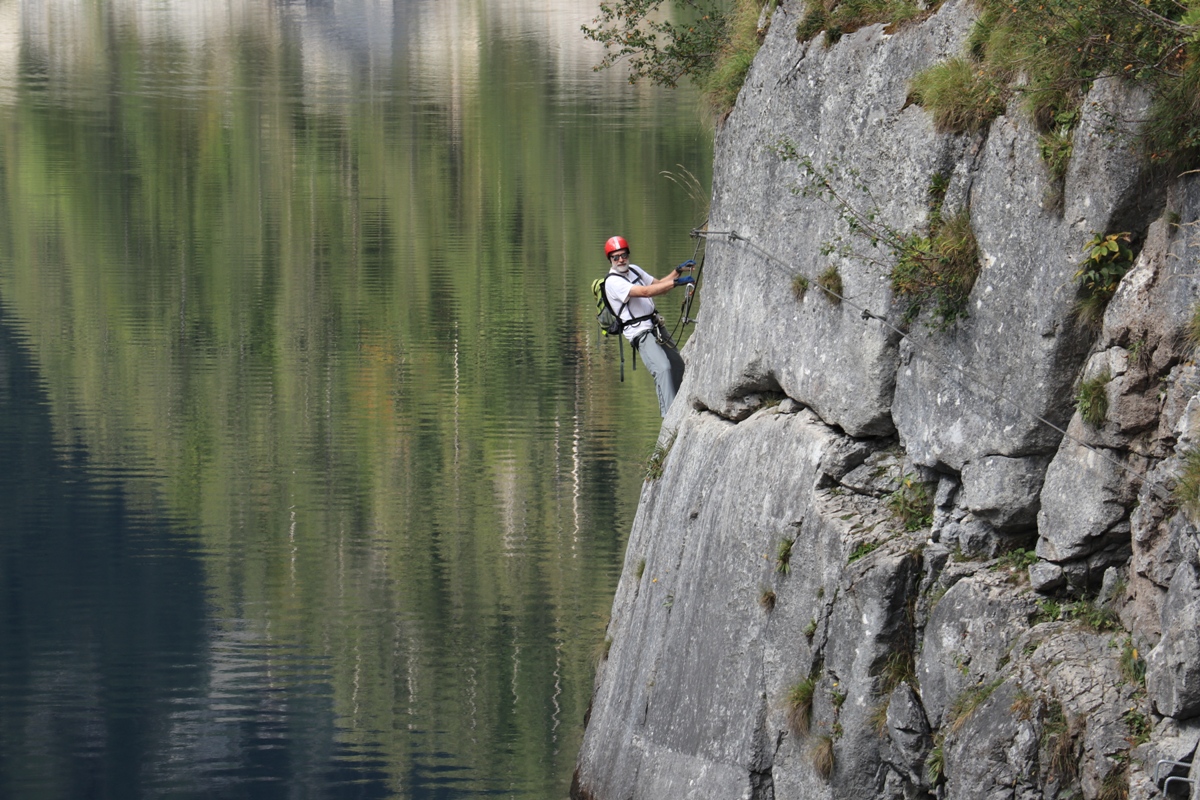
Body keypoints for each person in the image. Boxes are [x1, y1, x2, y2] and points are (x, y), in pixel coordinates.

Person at [600, 235, 694, 417]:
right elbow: (644, 292)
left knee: (678, 365)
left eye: (623, 255)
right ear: (610, 260)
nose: (621, 260)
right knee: (663, 368)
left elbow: (658, 285)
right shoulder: (613, 282)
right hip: (640, 332)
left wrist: (677, 272)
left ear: (628, 255)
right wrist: (676, 283)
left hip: (655, 325)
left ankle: (680, 410)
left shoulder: (634, 270)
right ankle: (669, 419)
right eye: (616, 257)